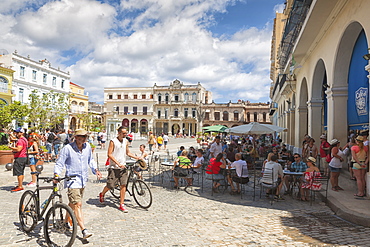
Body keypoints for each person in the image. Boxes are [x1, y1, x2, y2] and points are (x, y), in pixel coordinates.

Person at [54, 129, 102, 239]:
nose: (84, 138)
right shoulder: (67, 149)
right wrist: (56, 174)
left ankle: (66, 222)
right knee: (78, 205)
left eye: (85, 136)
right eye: (81, 136)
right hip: (72, 180)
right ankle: (84, 230)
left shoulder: (88, 147)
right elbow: (60, 163)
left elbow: (91, 160)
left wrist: (96, 170)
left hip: (82, 180)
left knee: (73, 203)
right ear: (76, 137)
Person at [99, 127, 141, 212]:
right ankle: (102, 194)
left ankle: (121, 204)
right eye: (123, 133)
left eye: (126, 133)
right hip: (114, 167)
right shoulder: (113, 141)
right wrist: (118, 163)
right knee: (110, 185)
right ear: (118, 133)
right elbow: (109, 154)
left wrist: (137, 157)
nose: (125, 135)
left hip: (123, 167)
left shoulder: (125, 141)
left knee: (123, 185)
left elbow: (127, 153)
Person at [9, 128, 28, 192]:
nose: (16, 134)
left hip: (19, 157)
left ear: (21, 133)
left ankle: (20, 186)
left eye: (18, 133)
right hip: (24, 157)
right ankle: (20, 184)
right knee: (21, 172)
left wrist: (11, 147)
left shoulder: (20, 140)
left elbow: (18, 149)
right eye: (16, 133)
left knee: (19, 172)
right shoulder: (24, 139)